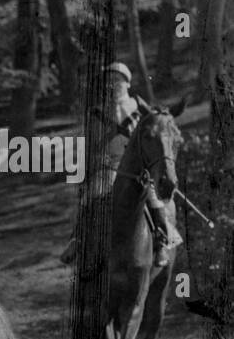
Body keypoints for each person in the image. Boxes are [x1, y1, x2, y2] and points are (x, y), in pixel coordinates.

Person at [60, 62, 181, 269]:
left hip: (137, 165)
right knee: (94, 194)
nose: (113, 85)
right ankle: (77, 240)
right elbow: (89, 144)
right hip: (110, 165)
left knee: (152, 196)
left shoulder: (141, 108)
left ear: (127, 83)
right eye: (109, 82)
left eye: (118, 81)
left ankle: (161, 239)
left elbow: (153, 137)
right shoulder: (97, 113)